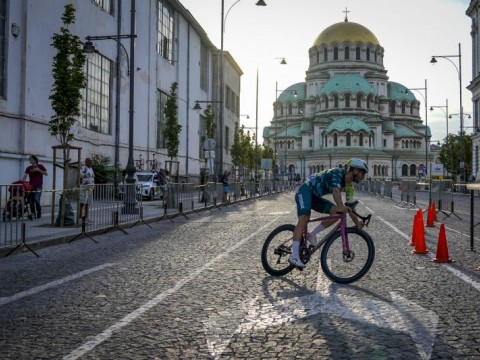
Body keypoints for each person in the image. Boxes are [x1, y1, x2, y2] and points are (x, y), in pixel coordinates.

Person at [288, 158, 368, 268]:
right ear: (355, 171)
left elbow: (351, 207)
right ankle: (294, 255)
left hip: (315, 197)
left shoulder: (350, 186)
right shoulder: (337, 173)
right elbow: (335, 191)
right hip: (305, 191)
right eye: (363, 173)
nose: (364, 176)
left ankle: (312, 234)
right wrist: (341, 207)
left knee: (337, 213)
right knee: (304, 218)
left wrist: (357, 223)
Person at [23, 155, 48, 219]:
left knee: (36, 200)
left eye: (31, 159)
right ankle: (33, 213)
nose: (30, 160)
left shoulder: (40, 166)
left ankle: (39, 212)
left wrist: (38, 170)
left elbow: (46, 173)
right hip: (31, 187)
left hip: (39, 186)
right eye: (29, 159)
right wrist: (22, 182)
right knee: (31, 201)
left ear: (35, 160)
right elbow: (25, 175)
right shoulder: (28, 168)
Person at [79, 157, 95, 223]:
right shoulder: (83, 168)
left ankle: (86, 217)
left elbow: (92, 177)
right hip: (84, 187)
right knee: (82, 202)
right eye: (90, 161)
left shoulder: (91, 168)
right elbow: (80, 176)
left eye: (91, 161)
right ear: (86, 162)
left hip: (90, 188)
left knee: (88, 203)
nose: (91, 163)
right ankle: (80, 218)